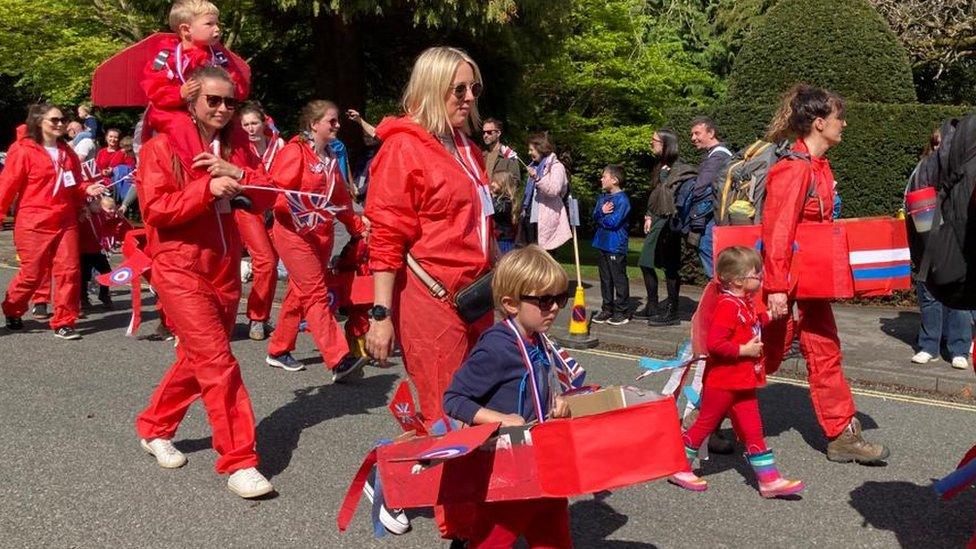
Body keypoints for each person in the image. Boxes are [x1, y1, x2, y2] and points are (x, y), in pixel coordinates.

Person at [364, 46, 495, 540]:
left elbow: (481, 227)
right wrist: (380, 314)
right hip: (431, 299)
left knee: (476, 404)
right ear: (431, 87)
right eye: (458, 88)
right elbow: (385, 237)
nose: (468, 97)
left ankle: (393, 474)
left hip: (477, 297)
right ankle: (462, 529)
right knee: (449, 411)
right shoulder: (404, 148)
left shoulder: (465, 147)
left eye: (474, 88)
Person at [134, 66, 275, 499]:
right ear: (191, 100)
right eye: (213, 99)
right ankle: (239, 460)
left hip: (225, 266)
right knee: (217, 361)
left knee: (200, 359)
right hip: (178, 267)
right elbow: (155, 210)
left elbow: (270, 196)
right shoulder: (160, 148)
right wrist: (208, 188)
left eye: (229, 101)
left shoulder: (237, 147)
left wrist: (239, 172)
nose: (222, 108)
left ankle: (154, 426)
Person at [761, 84, 889, 464]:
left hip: (808, 286)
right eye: (838, 118)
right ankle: (706, 416)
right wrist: (777, 287)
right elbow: (778, 232)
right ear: (819, 123)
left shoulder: (817, 167)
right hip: (786, 285)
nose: (844, 124)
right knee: (763, 354)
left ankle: (842, 434)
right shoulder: (794, 170)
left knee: (825, 351)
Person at [443, 245, 573, 548]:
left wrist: (556, 401)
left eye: (560, 298)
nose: (554, 307)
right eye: (544, 300)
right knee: (494, 537)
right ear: (510, 304)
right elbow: (454, 399)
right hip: (507, 469)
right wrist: (499, 419)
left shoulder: (538, 338)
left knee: (554, 532)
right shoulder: (496, 347)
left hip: (543, 464)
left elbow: (535, 384)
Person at [669, 246, 804, 498]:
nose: (761, 276)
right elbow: (716, 344)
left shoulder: (744, 302)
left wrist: (770, 317)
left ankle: (769, 480)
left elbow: (751, 325)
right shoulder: (727, 305)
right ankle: (679, 466)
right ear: (738, 279)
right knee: (705, 424)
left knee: (754, 429)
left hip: (743, 381)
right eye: (756, 273)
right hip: (723, 381)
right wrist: (743, 350)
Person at [264, 100, 368, 379]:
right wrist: (305, 208)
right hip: (294, 234)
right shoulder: (294, 152)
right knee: (315, 293)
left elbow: (341, 199)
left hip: (321, 235)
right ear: (314, 125)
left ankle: (278, 349)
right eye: (331, 121)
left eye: (336, 121)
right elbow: (277, 195)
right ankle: (338, 359)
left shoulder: (331, 158)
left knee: (300, 292)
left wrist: (357, 227)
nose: (337, 126)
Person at [0, 104, 106, 339]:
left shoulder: (67, 152)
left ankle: (64, 321)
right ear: (39, 122)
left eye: (63, 119)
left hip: (65, 220)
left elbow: (75, 184)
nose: (61, 124)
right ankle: (13, 308)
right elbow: (6, 188)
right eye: (54, 120)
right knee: (32, 274)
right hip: (33, 222)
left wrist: (88, 189)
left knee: (70, 271)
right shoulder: (23, 150)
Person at [140, 0, 250, 163]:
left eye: (217, 23)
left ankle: (243, 170)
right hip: (172, 111)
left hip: (211, 109)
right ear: (186, 29)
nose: (217, 28)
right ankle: (198, 169)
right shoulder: (167, 56)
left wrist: (227, 93)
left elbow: (239, 87)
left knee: (237, 128)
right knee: (182, 125)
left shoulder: (220, 57)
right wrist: (179, 94)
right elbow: (153, 87)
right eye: (209, 24)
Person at [905, 127, 971, 370]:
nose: (938, 150)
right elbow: (909, 203)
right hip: (928, 242)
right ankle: (929, 345)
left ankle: (959, 348)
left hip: (957, 243)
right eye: (935, 145)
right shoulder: (921, 172)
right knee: (929, 295)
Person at [636, 129, 696, 326]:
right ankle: (653, 305)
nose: (651, 143)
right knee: (646, 262)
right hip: (656, 221)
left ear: (666, 144)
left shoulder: (677, 168)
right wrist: (648, 215)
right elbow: (655, 195)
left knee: (670, 266)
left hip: (670, 223)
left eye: (655, 141)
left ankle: (672, 309)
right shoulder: (659, 167)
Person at [238, 101, 283, 340]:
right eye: (245, 124)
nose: (250, 128)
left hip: (275, 209)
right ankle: (256, 317)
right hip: (248, 209)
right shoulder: (238, 149)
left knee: (272, 262)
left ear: (263, 123)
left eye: (254, 123)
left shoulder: (279, 146)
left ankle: (262, 316)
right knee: (265, 260)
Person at [687, 116, 732, 278]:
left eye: (697, 133)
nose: (693, 138)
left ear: (711, 133)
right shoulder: (714, 155)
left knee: (708, 250)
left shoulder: (718, 156)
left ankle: (720, 293)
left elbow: (699, 188)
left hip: (712, 216)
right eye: (692, 134)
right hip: (712, 214)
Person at [591, 164, 631, 326]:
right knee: (605, 279)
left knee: (618, 278)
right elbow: (594, 215)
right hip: (602, 243)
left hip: (615, 245)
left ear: (614, 180)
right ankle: (607, 308)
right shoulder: (603, 198)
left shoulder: (622, 200)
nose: (601, 179)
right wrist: (601, 212)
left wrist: (601, 217)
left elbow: (614, 222)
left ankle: (622, 311)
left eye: (604, 176)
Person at [79, 195, 129, 310]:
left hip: (97, 250)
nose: (99, 207)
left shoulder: (100, 215)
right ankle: (83, 298)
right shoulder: (84, 217)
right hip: (84, 252)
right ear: (88, 205)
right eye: (96, 205)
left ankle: (104, 295)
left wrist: (118, 218)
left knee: (106, 272)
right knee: (84, 276)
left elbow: (109, 225)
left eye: (99, 204)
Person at [525, 133, 571, 251]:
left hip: (546, 220)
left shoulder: (557, 167)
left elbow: (554, 190)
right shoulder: (534, 166)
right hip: (531, 217)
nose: (529, 153)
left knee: (545, 258)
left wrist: (537, 179)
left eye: (531, 150)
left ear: (541, 149)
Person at [482, 117, 520, 190]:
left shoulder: (508, 155)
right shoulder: (481, 155)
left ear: (498, 133)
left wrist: (500, 189)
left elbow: (516, 181)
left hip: (500, 199)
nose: (485, 135)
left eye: (489, 132)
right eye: (484, 132)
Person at [490, 172, 517, 255]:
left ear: (503, 184)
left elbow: (493, 210)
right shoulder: (499, 199)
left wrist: (492, 197)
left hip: (504, 240)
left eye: (495, 182)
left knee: (503, 261)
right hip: (497, 238)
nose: (492, 184)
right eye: (492, 181)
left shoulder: (506, 201)